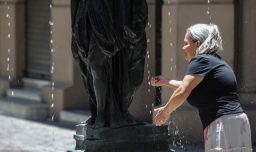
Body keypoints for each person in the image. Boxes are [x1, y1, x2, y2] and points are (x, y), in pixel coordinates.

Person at [151, 23, 252, 151]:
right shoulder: (214, 60)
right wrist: (167, 81)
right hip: (235, 123)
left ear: (197, 44)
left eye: (186, 43)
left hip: (223, 124)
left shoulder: (200, 60)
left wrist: (165, 112)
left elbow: (183, 91)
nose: (183, 48)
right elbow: (189, 86)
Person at [70, 0, 148, 128]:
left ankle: (110, 114)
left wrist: (135, 25)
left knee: (100, 67)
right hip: (87, 18)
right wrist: (74, 32)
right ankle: (99, 113)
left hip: (111, 20)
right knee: (90, 69)